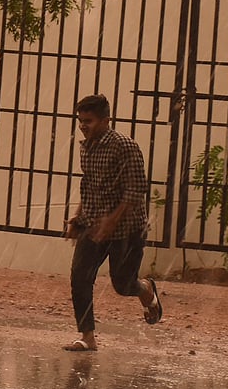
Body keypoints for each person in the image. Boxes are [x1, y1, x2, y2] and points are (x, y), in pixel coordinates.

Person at [63, 94, 163, 352]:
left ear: (106, 120)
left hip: (127, 229)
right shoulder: (87, 147)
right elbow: (90, 185)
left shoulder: (125, 146)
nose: (83, 126)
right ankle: (87, 336)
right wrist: (77, 216)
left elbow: (134, 191)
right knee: (80, 277)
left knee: (123, 284)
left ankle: (146, 290)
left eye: (89, 121)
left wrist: (111, 222)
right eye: (80, 121)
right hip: (93, 225)